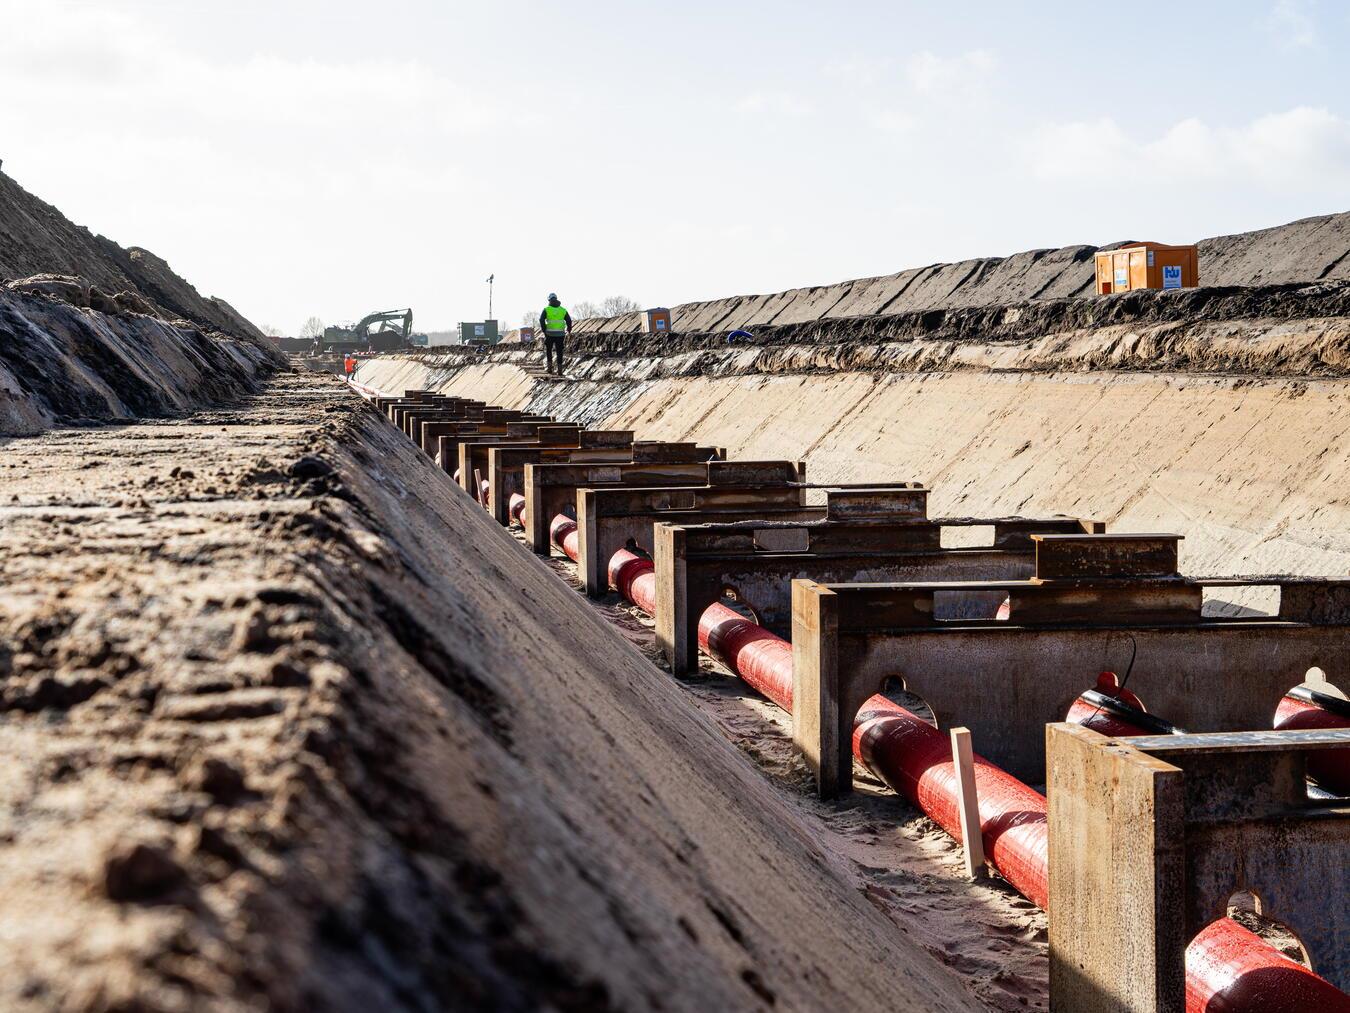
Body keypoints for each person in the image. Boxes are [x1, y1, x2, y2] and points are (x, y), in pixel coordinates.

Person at [538, 293, 572, 375]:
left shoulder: (546, 309)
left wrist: (544, 330)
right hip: (560, 334)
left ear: (549, 300)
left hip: (549, 334)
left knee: (549, 350)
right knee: (559, 351)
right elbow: (569, 320)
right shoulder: (563, 310)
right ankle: (560, 371)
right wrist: (568, 330)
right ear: (556, 299)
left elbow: (541, 320)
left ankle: (550, 369)